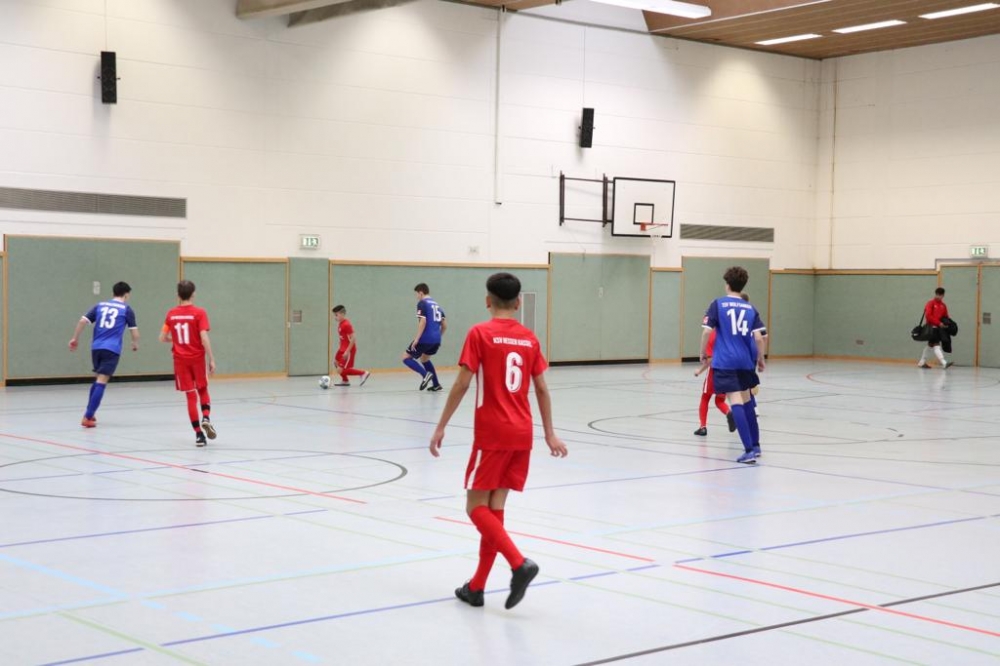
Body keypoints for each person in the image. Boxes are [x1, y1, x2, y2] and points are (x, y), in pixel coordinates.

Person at [429, 272, 568, 610]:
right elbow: (542, 389)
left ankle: (519, 564)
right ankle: (476, 587)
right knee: (495, 508)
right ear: (518, 302)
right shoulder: (529, 339)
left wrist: (441, 425)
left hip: (492, 433)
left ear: (487, 301)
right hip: (522, 433)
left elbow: (462, 383)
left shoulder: (480, 333)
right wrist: (549, 432)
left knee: (475, 507)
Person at [700, 267, 766, 464]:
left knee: (735, 400)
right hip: (745, 362)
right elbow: (759, 338)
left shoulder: (718, 304)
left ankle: (748, 451)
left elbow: (706, 331)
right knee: (747, 400)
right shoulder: (750, 308)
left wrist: (702, 353)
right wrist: (761, 358)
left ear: (727, 284)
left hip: (726, 361)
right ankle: (756, 446)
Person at [68, 281, 139, 427]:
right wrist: (135, 343)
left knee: (97, 379)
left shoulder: (100, 305)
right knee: (102, 381)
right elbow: (134, 332)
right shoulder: (126, 309)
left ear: (113, 293)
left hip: (96, 348)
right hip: (112, 349)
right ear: (126, 295)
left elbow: (82, 321)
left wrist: (75, 338)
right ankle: (87, 417)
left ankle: (91, 411)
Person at [159, 280, 217, 447]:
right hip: (197, 358)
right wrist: (211, 358)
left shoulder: (171, 314)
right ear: (193, 294)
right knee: (203, 389)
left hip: (180, 361)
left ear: (178, 295)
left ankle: (199, 435)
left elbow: (162, 337)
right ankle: (206, 417)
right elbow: (204, 337)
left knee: (190, 397)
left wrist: (175, 340)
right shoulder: (199, 313)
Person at [402, 283, 446, 391]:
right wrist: (438, 336)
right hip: (436, 340)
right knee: (424, 359)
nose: (416, 297)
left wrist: (417, 339)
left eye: (416, 294)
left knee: (406, 357)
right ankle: (436, 384)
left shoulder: (422, 303)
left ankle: (425, 375)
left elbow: (423, 321)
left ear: (421, 293)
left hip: (425, 338)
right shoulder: (437, 305)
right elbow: (444, 325)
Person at [692, 328, 736, 436]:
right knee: (719, 400)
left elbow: (710, 360)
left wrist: (700, 371)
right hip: (727, 370)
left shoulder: (712, 335)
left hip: (714, 371)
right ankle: (729, 412)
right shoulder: (728, 334)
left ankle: (703, 427)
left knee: (705, 397)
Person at [331, 305, 371, 387]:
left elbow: (353, 338)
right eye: (334, 315)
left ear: (342, 314)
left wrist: (347, 351)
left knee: (340, 370)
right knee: (336, 362)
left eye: (336, 315)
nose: (335, 317)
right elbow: (344, 337)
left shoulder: (346, 324)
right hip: (342, 348)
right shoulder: (341, 324)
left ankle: (363, 373)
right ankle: (345, 380)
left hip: (348, 350)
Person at [918, 287, 953, 369]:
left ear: (943, 295)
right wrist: (939, 323)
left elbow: (946, 316)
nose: (939, 296)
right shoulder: (930, 303)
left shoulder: (943, 305)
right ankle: (944, 362)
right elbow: (928, 316)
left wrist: (947, 324)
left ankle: (921, 362)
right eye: (937, 294)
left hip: (939, 329)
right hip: (931, 328)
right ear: (935, 294)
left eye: (940, 295)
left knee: (930, 345)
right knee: (936, 344)